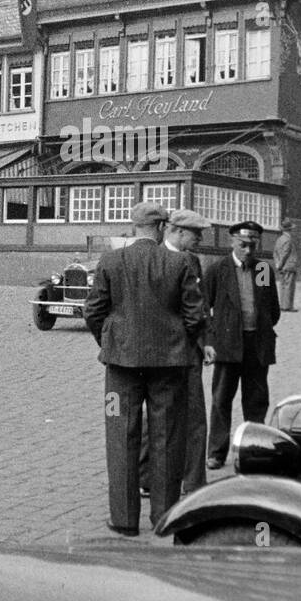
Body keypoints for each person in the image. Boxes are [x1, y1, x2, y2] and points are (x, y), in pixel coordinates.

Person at [84, 202, 205, 536]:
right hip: (169, 366)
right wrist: (179, 344)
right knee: (167, 436)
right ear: (163, 227)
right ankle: (164, 518)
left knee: (120, 435)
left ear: (134, 227)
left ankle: (124, 520)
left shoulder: (111, 261)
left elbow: (93, 311)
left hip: (120, 368)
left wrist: (111, 342)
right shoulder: (180, 262)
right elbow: (196, 316)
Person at [139, 208, 213, 498]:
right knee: (155, 416)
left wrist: (206, 341)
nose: (200, 239)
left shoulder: (192, 260)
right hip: (160, 352)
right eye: (196, 234)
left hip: (189, 353)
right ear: (178, 232)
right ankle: (147, 478)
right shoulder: (153, 258)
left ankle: (193, 483)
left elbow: (201, 305)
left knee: (194, 417)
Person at [203, 221, 280, 470]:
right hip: (227, 345)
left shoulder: (262, 269)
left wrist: (262, 328)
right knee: (221, 399)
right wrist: (212, 339)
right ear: (232, 242)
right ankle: (216, 453)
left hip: (257, 344)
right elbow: (203, 308)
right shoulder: (218, 269)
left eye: (252, 245)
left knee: (256, 400)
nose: (248, 250)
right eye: (243, 245)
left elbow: (271, 308)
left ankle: (254, 450)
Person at [273, 217, 298, 311]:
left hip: (281, 266)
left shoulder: (279, 239)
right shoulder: (289, 240)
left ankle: (282, 304)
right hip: (289, 265)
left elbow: (275, 253)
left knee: (283, 285)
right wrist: (281, 264)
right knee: (289, 286)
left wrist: (277, 264)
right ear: (290, 230)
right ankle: (287, 306)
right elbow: (285, 253)